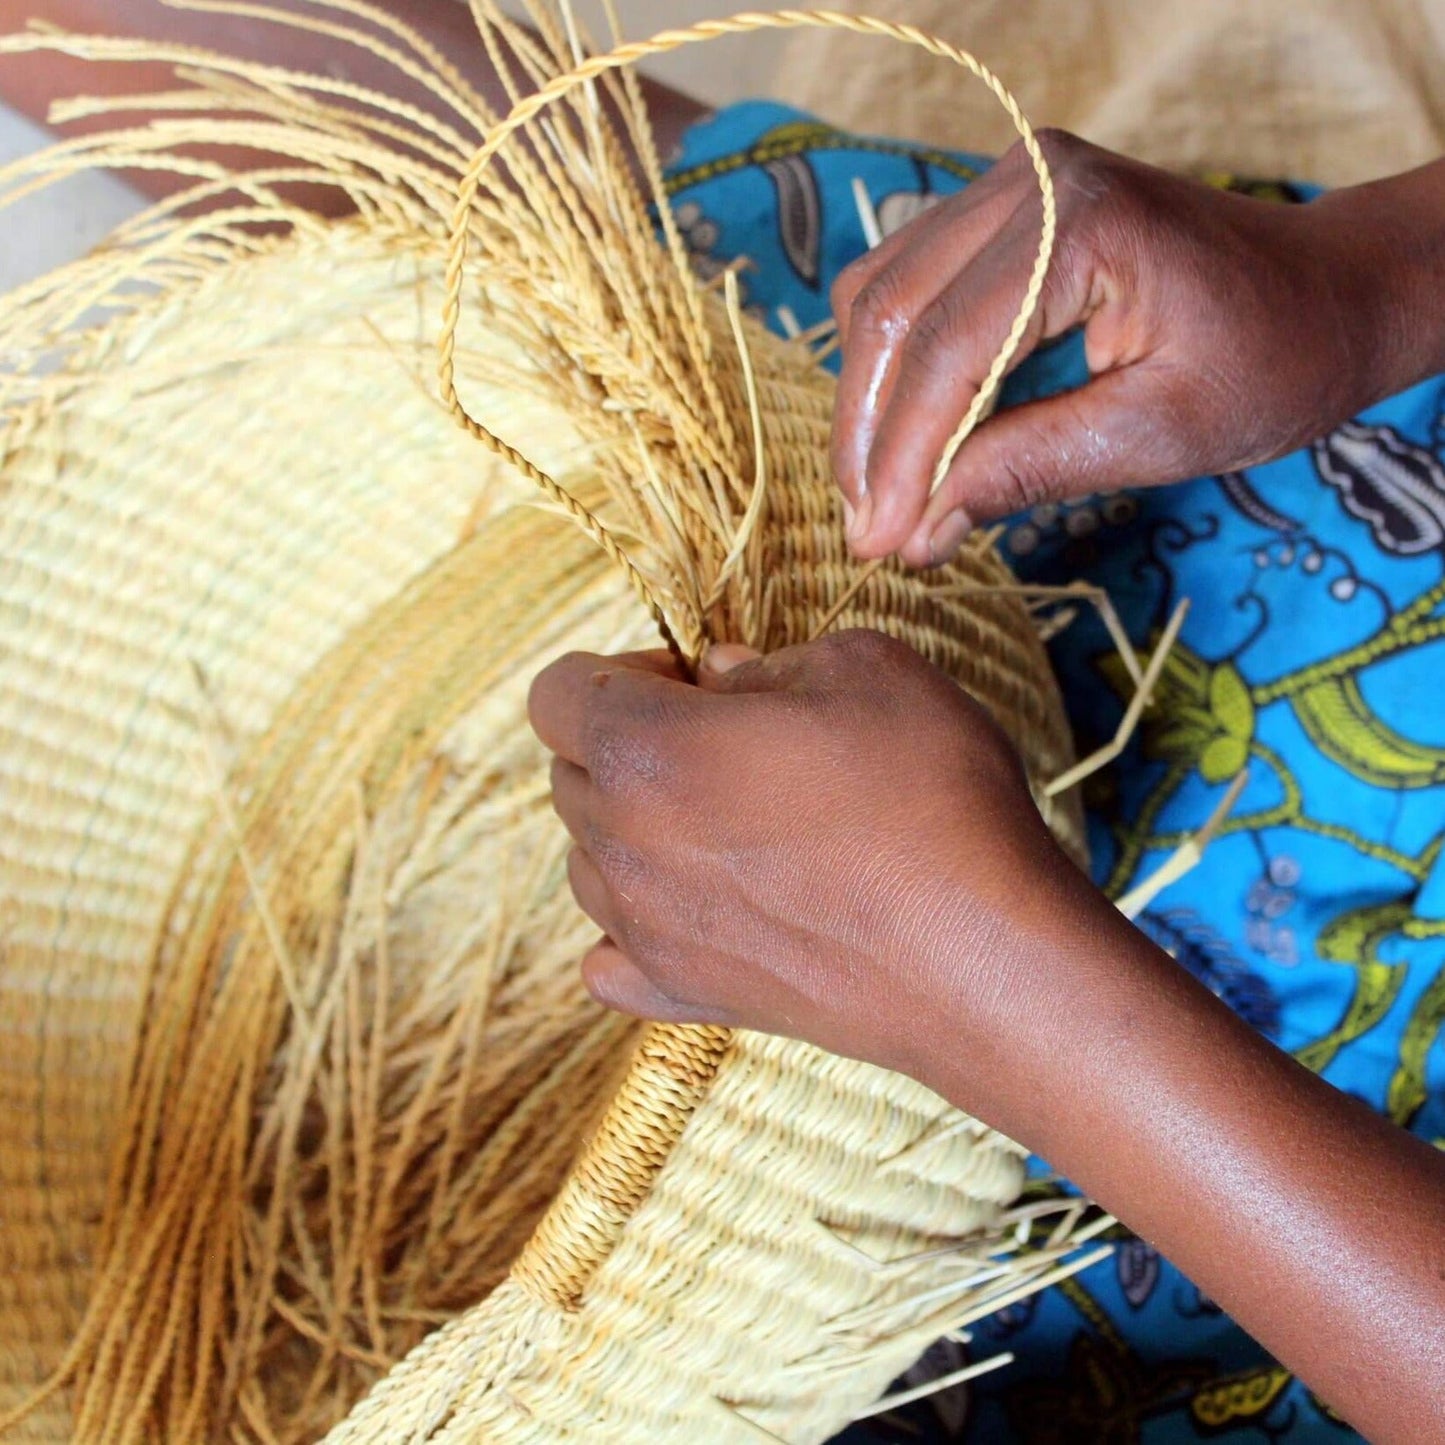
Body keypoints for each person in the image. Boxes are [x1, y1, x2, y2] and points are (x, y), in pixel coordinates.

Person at [7, 6, 1444, 1442]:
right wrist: (1370, 274)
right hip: (1302, 477)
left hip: (1246, 1240)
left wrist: (979, 976)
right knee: (670, 268)